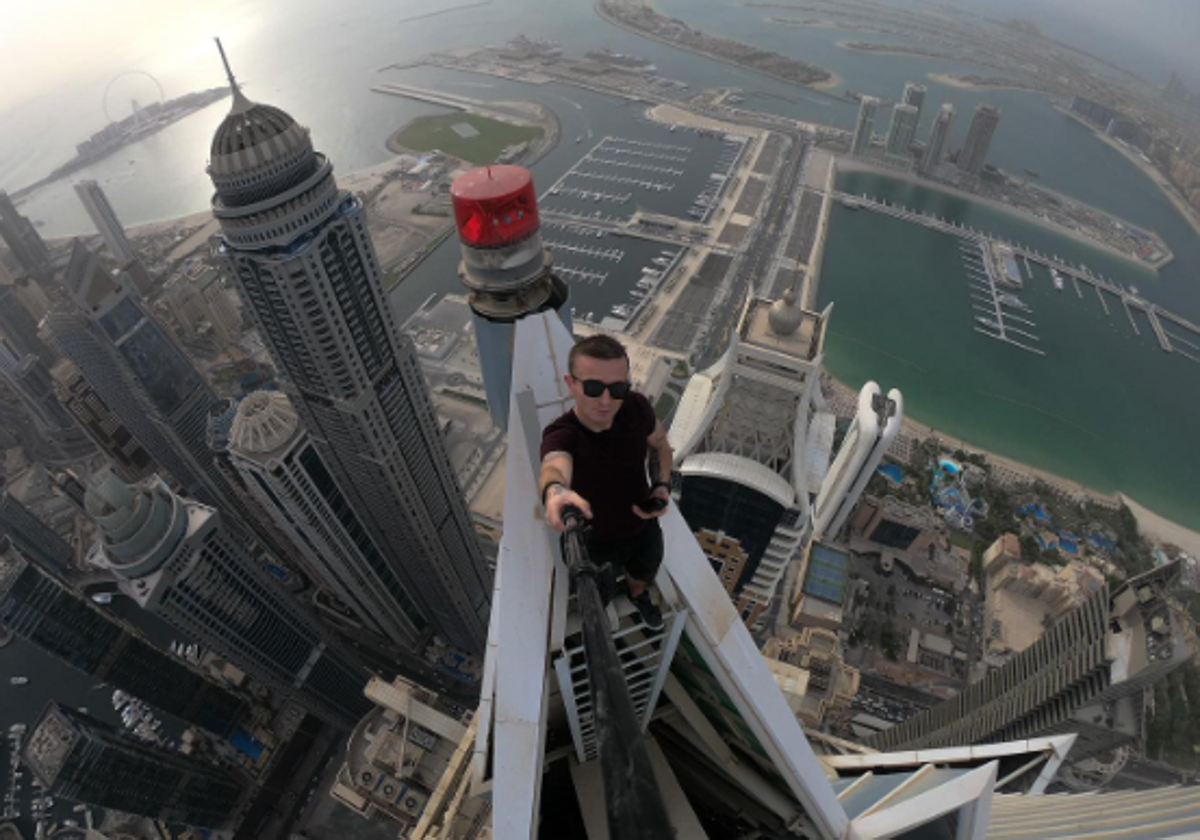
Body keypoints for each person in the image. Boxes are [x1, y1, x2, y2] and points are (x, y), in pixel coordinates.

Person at [539, 334, 673, 630]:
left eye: (617, 389)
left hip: (642, 525)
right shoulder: (563, 434)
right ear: (570, 383)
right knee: (598, 594)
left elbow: (660, 445)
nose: (605, 400)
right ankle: (606, 605)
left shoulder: (636, 407)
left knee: (643, 573)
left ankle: (638, 596)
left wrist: (662, 485)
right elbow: (554, 465)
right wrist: (555, 491)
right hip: (593, 541)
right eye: (593, 387)